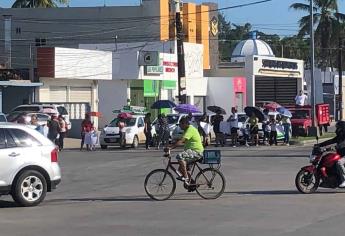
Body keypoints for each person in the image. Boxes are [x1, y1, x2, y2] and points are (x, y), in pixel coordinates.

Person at [170, 117, 204, 184]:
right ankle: (192, 184)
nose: (180, 126)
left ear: (185, 124)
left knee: (180, 156)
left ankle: (186, 177)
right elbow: (180, 139)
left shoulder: (190, 129)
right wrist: (170, 146)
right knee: (181, 169)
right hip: (192, 151)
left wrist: (171, 148)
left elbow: (182, 140)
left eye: (180, 125)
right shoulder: (186, 130)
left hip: (196, 151)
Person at [318, 121, 345, 187]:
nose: (337, 129)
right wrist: (319, 145)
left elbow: (342, 144)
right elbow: (331, 141)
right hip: (341, 155)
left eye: (338, 127)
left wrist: (334, 147)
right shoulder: (340, 136)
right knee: (329, 159)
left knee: (339, 162)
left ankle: (344, 180)